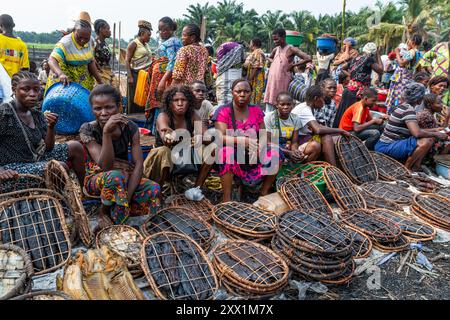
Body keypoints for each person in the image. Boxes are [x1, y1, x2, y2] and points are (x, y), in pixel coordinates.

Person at [80, 85, 161, 228]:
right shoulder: (87, 129)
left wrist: (127, 197)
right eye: (98, 109)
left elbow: (138, 165)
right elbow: (105, 165)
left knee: (153, 188)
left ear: (119, 106)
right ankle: (103, 213)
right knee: (115, 176)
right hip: (97, 178)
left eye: (109, 107)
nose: (103, 113)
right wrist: (106, 133)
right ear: (92, 109)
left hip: (124, 176)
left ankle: (122, 214)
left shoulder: (131, 127)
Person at [0, 71, 85, 189]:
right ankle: (59, 201)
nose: (33, 94)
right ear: (14, 89)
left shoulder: (36, 114)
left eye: (36, 89)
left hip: (34, 158)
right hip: (11, 169)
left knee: (76, 147)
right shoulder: (4, 114)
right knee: (58, 168)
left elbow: (48, 148)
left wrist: (51, 127)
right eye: (26, 89)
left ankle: (82, 193)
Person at [213, 79, 280, 202]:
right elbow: (220, 137)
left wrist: (260, 148)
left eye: (246, 91)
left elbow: (263, 134)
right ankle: (226, 198)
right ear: (232, 93)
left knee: (275, 152)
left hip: (253, 153)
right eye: (238, 91)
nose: (242, 94)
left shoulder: (256, 110)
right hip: (234, 153)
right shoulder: (223, 111)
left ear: (251, 93)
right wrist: (242, 141)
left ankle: (263, 192)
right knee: (225, 153)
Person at [143, 85, 210, 190]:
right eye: (176, 100)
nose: (180, 104)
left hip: (185, 158)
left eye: (183, 100)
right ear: (170, 103)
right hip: (167, 162)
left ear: (189, 102)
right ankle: (156, 192)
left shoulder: (192, 115)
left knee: (211, 149)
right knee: (163, 151)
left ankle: (196, 189)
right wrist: (169, 136)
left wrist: (199, 136)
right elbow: (164, 132)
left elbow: (207, 136)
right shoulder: (163, 116)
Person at [375, 83, 448, 171]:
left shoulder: (403, 107)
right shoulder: (408, 110)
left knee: (430, 138)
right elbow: (416, 133)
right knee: (427, 141)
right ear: (420, 98)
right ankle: (407, 168)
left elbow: (414, 129)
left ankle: (416, 166)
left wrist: (435, 130)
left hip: (388, 144)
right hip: (387, 146)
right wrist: (436, 134)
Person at [292, 85, 351, 166]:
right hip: (295, 143)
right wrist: (341, 130)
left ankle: (334, 166)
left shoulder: (309, 107)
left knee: (334, 137)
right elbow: (318, 129)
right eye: (323, 99)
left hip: (304, 138)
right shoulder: (304, 109)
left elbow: (318, 127)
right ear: (316, 98)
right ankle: (333, 167)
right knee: (326, 137)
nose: (324, 102)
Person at [145, 17, 182, 135]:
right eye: (160, 30)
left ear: (172, 29)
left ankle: (161, 130)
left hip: (164, 78)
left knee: (163, 102)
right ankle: (157, 128)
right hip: (159, 77)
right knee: (159, 102)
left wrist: (163, 80)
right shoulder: (169, 41)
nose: (162, 32)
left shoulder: (173, 42)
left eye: (165, 30)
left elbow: (173, 61)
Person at [333, 42, 383, 128]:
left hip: (349, 89)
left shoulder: (356, 58)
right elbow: (381, 70)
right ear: (373, 53)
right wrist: (378, 55)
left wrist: (351, 76)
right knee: (353, 116)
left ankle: (337, 132)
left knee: (344, 113)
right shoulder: (369, 59)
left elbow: (342, 68)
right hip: (356, 92)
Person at [46, 19, 103, 92]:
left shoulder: (90, 41)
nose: (83, 40)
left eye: (86, 38)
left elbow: (90, 62)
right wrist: (61, 74)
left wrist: (100, 81)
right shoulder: (65, 43)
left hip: (81, 81)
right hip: (64, 82)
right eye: (79, 37)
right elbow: (51, 60)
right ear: (74, 31)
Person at [264, 28, 311, 112]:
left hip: (283, 81)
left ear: (283, 37)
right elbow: (269, 58)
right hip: (272, 82)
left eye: (276, 39)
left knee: (282, 104)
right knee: (270, 104)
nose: (275, 42)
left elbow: (307, 58)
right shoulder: (276, 49)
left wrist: (293, 65)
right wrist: (274, 62)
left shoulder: (291, 49)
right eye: (274, 40)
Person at [265, 92, 317, 167]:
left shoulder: (295, 118)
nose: (285, 107)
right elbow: (268, 143)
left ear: (293, 105)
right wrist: (288, 153)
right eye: (282, 104)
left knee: (315, 146)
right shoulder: (269, 117)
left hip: (288, 147)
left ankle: (300, 168)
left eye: (288, 104)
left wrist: (295, 152)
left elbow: (294, 142)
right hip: (275, 148)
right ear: (277, 105)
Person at [386, 35, 423, 113]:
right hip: (409, 78)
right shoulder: (419, 53)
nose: (408, 43)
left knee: (398, 96)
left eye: (408, 41)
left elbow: (401, 64)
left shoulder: (412, 52)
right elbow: (418, 69)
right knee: (404, 96)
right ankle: (402, 112)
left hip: (402, 78)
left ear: (412, 42)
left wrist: (397, 53)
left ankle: (396, 113)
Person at [126, 20, 153, 114]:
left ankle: (142, 116)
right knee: (135, 97)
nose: (150, 37)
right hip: (136, 75)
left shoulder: (146, 44)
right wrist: (130, 77)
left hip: (145, 75)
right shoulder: (133, 44)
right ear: (142, 34)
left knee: (143, 96)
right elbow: (127, 60)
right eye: (148, 35)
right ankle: (133, 118)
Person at [419, 41, 449, 119]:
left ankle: (443, 126)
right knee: (433, 104)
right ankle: (430, 123)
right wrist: (430, 69)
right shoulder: (440, 47)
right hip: (437, 83)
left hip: (447, 87)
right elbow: (425, 57)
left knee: (446, 108)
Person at [215, 42, 245, 106]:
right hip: (236, 78)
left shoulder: (221, 69)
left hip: (223, 82)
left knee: (223, 105)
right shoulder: (238, 70)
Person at [243, 38, 266, 106]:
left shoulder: (257, 52)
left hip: (256, 79)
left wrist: (249, 80)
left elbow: (256, 67)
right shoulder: (256, 52)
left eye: (250, 43)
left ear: (253, 44)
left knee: (254, 99)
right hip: (255, 78)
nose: (249, 45)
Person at [93, 19, 113, 85]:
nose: (110, 31)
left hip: (108, 73)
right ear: (101, 29)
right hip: (99, 76)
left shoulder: (105, 44)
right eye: (108, 29)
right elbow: (91, 60)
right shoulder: (94, 43)